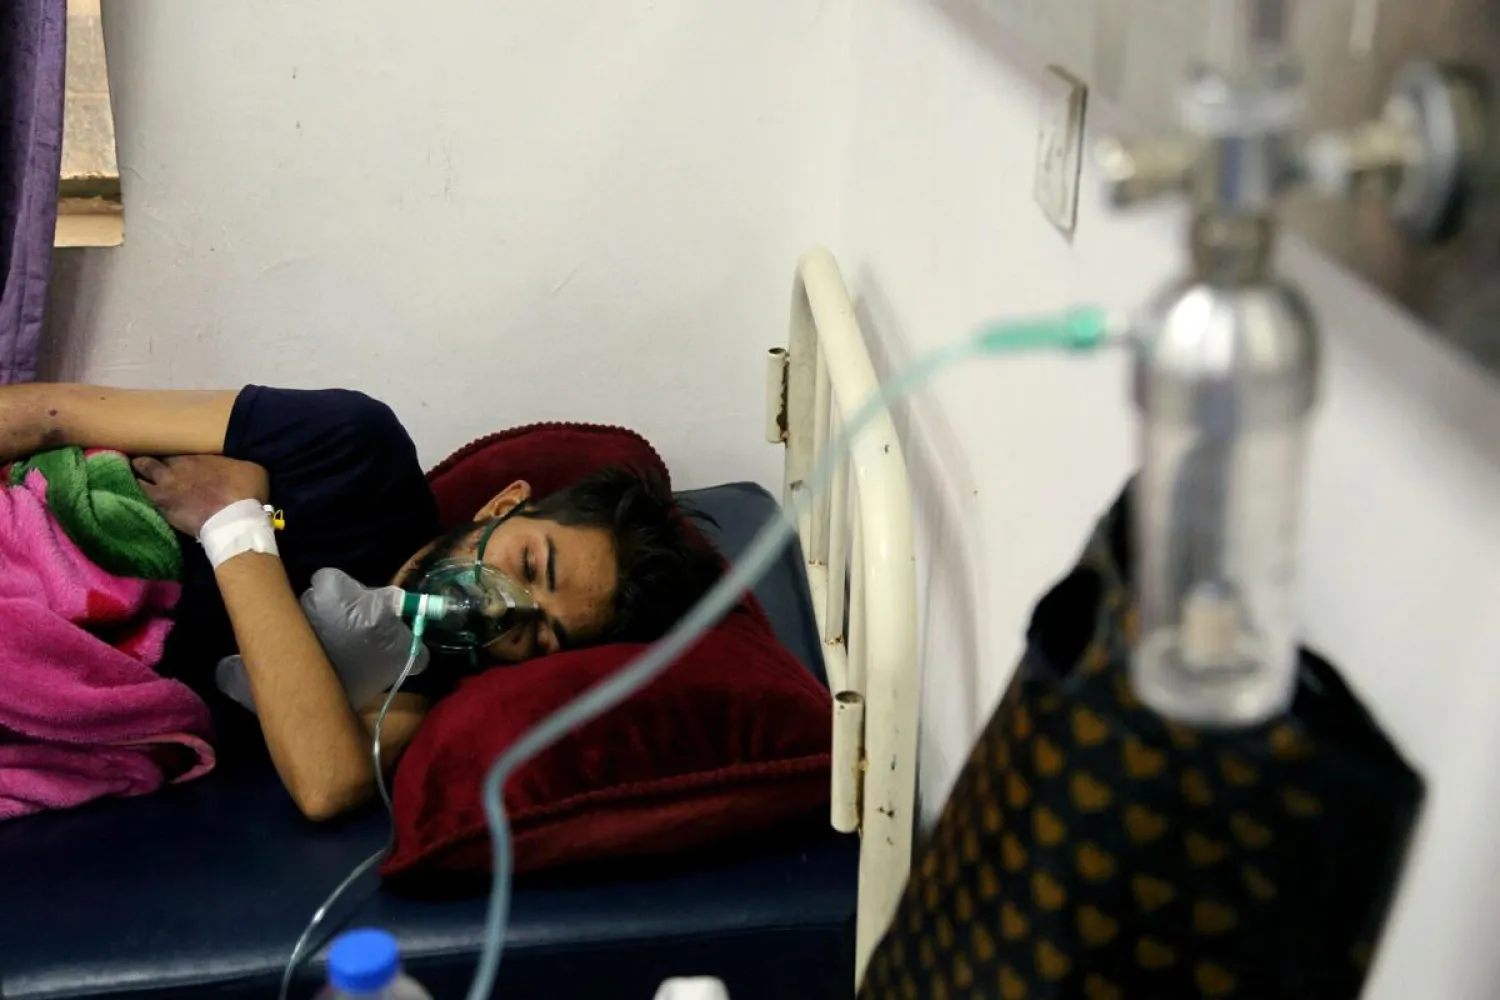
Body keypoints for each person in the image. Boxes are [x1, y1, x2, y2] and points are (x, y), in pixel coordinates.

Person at [0, 383, 722, 821]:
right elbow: (49, 415)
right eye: (528, 564)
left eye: (537, 634)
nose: (502, 606)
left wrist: (234, 526)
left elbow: (326, 784)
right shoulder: (349, 448)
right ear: (504, 504)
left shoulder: (408, 692)